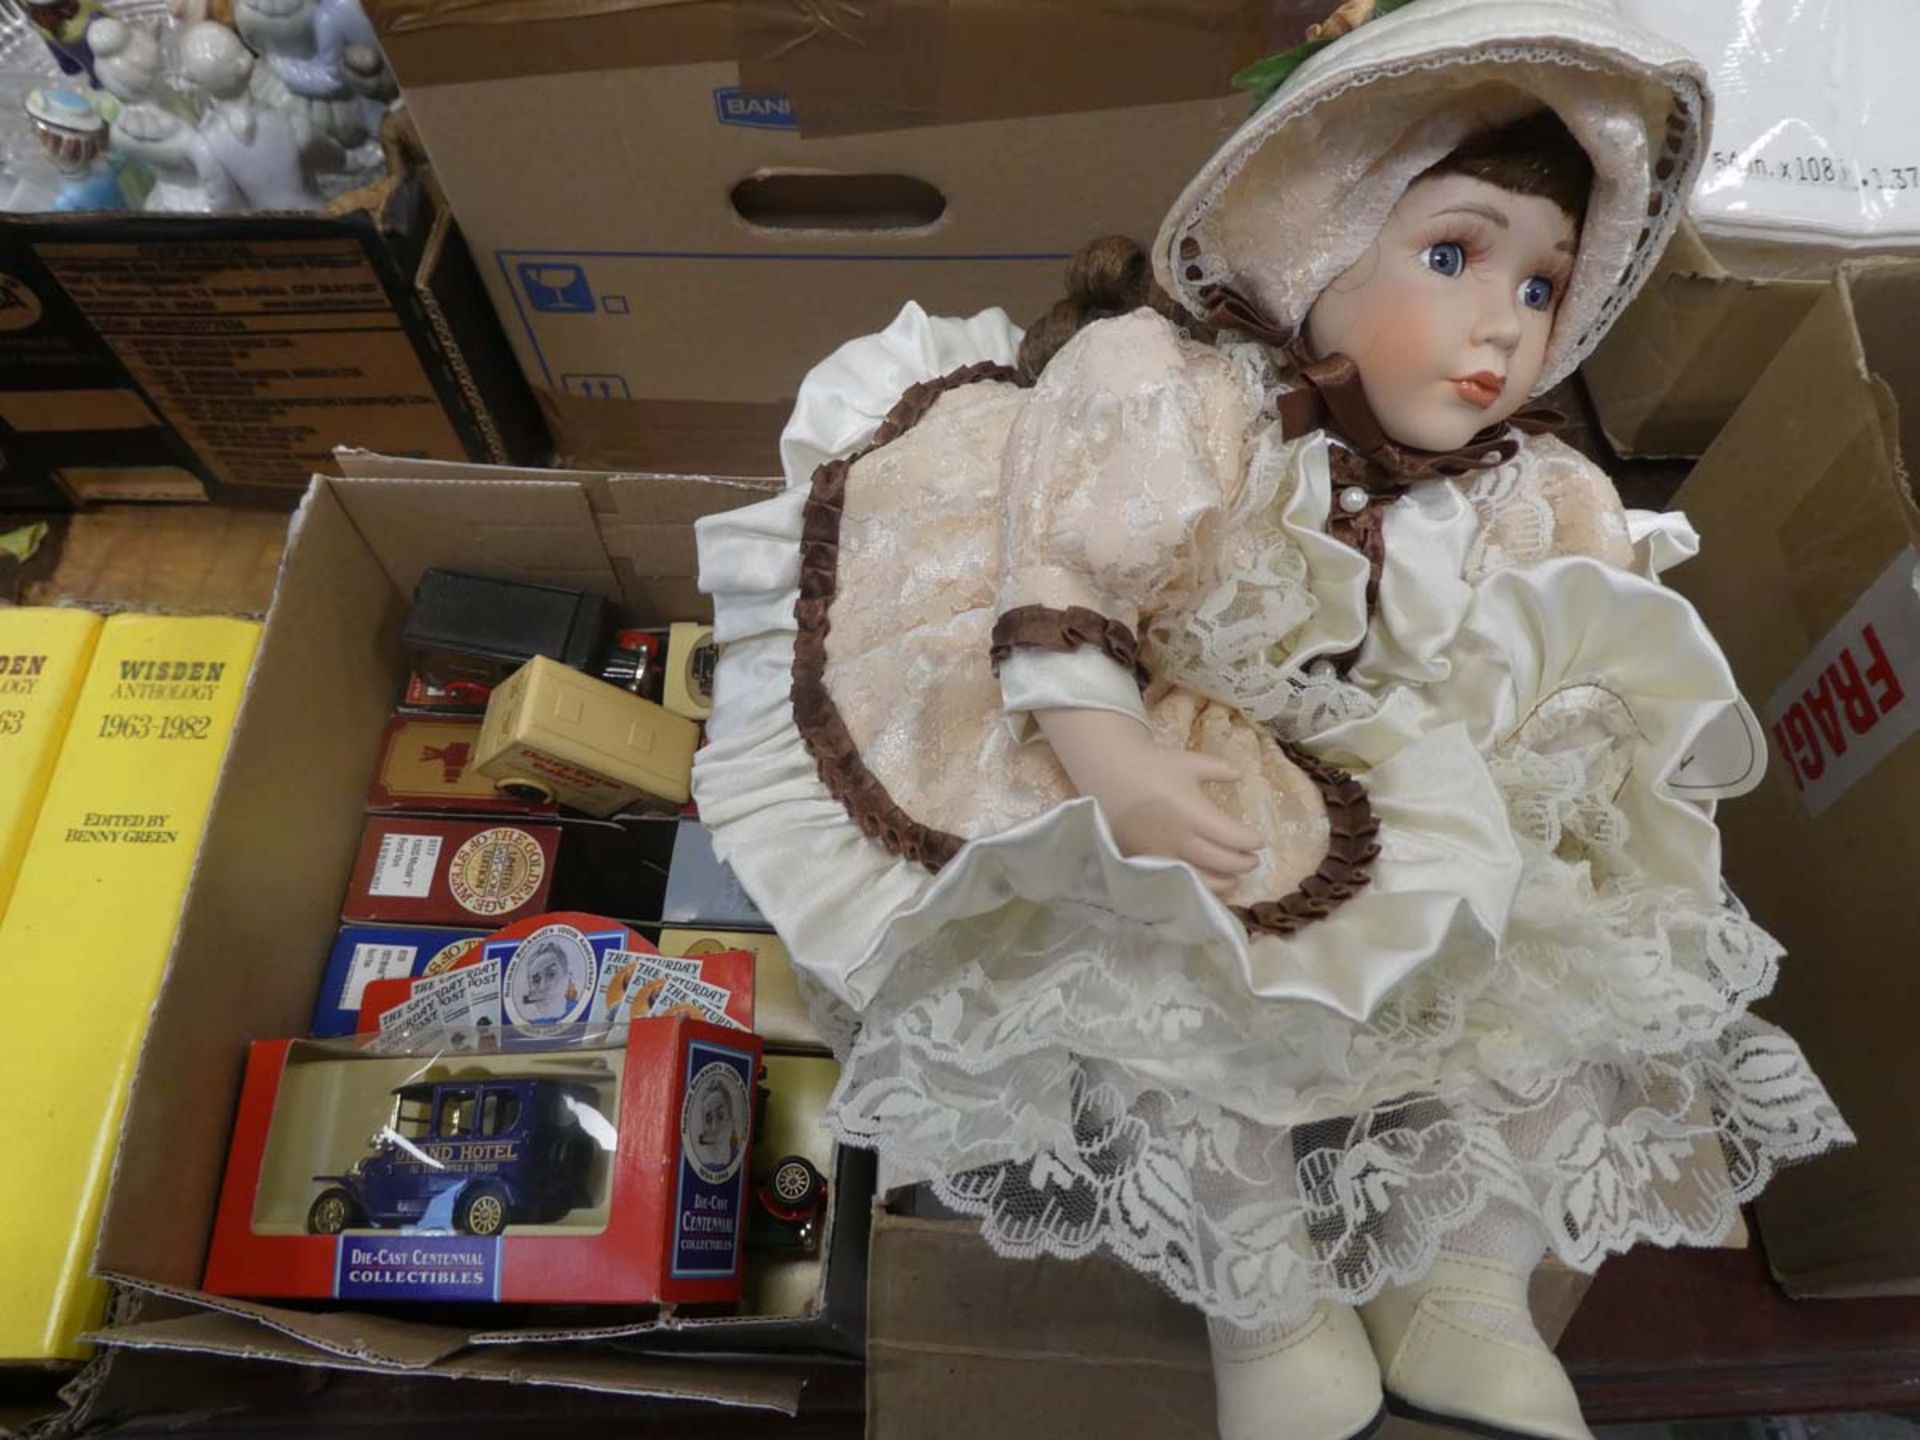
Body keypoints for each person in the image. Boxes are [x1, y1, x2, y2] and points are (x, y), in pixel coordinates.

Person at [692, 3, 1852, 1437]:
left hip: (1409, 781)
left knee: (1574, 973)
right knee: (1176, 979)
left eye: (1547, 285)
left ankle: (1462, 1290)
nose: (1504, 321)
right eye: (1453, 254)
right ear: (1318, 239)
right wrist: (1111, 758)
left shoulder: (1529, 484)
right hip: (1197, 739)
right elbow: (1068, 575)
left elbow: (1585, 644)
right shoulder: (1182, 400)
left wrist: (1568, 769)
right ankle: (1269, 1298)